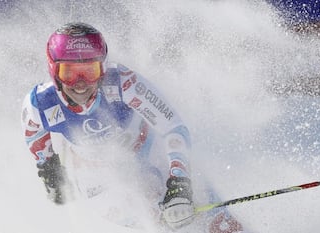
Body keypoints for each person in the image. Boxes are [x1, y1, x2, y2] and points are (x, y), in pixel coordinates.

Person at [21, 22, 194, 230]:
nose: (80, 83)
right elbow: (34, 134)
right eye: (69, 73)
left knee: (162, 199)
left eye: (89, 71)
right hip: (95, 177)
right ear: (53, 71)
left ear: (103, 68)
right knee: (145, 219)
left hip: (146, 152)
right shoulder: (40, 103)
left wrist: (180, 183)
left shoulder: (123, 83)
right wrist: (49, 169)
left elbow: (172, 127)